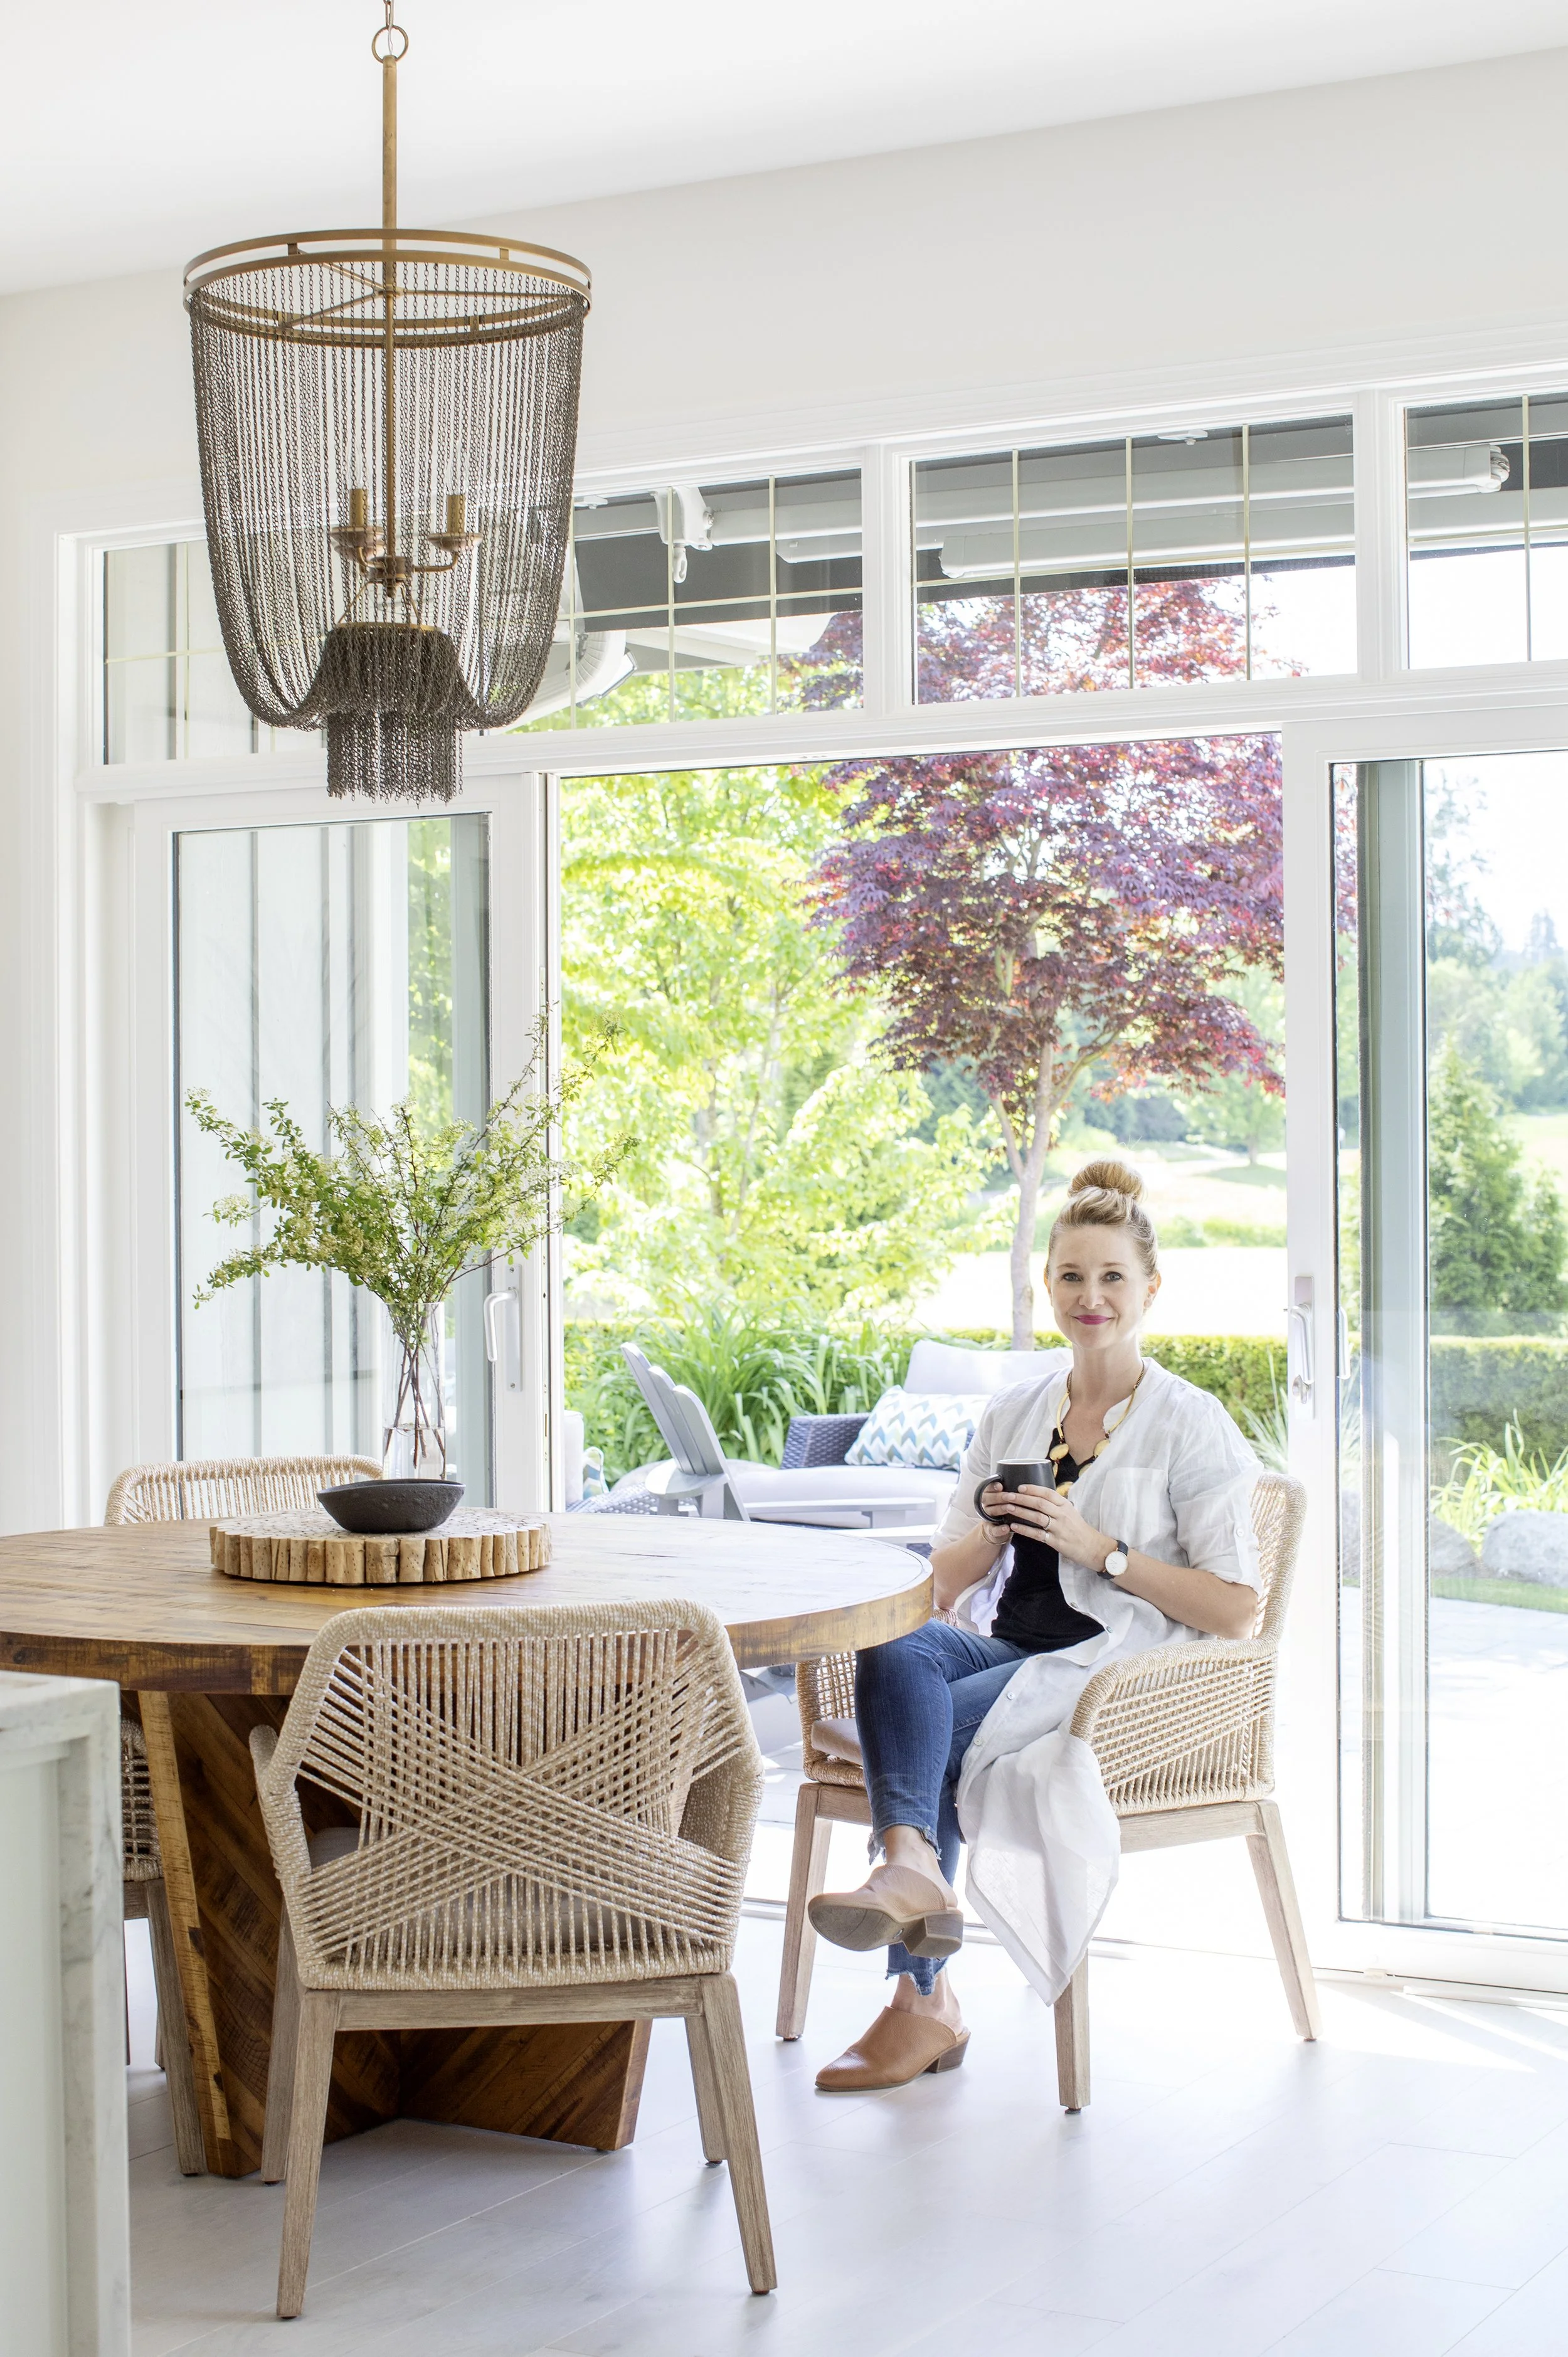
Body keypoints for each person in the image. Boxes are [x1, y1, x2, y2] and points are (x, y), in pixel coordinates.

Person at [807, 1157, 1263, 2092]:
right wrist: (991, 1529)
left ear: (1150, 1288)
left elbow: (1237, 1605)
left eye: (1110, 1277)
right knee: (893, 1645)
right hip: (1005, 1643)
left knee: (919, 1731)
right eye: (1070, 1276)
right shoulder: (1015, 1410)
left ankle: (920, 1999)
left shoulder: (1189, 1422)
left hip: (1107, 1671)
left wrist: (1105, 1549)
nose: (1089, 1296)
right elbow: (936, 1584)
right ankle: (913, 1865)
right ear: (1044, 1282)